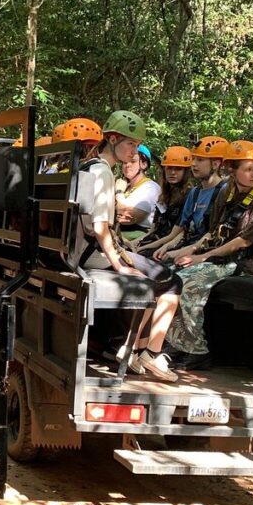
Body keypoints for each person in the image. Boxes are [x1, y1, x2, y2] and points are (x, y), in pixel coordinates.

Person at [73, 110, 182, 381]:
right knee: (171, 281)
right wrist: (120, 265)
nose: (134, 152)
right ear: (112, 139)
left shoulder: (88, 166)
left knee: (149, 270)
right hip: (93, 254)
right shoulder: (103, 172)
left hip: (82, 250)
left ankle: (133, 349)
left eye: (136, 145)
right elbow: (100, 227)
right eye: (130, 144)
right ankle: (151, 353)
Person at [165, 140, 253, 370]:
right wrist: (190, 251)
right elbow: (213, 231)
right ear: (232, 170)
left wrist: (201, 258)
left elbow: (243, 241)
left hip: (246, 262)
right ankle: (178, 343)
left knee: (190, 279)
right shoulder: (227, 192)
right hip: (219, 256)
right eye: (247, 168)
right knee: (170, 275)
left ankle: (198, 350)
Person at [151, 136, 228, 263]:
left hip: (207, 254)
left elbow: (214, 234)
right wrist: (167, 247)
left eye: (200, 160)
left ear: (215, 164)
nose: (193, 164)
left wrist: (179, 252)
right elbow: (184, 229)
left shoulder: (224, 192)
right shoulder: (195, 193)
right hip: (189, 246)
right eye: (193, 159)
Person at [134, 146, 193, 257]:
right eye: (169, 168)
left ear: (186, 172)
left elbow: (173, 235)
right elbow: (152, 230)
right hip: (154, 241)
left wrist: (141, 248)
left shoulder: (189, 196)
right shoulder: (163, 195)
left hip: (168, 246)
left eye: (178, 169)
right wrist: (133, 244)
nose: (173, 172)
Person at [116, 144, 161, 242]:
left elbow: (127, 218)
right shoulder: (127, 188)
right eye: (124, 162)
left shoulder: (150, 188)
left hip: (139, 241)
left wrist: (118, 192)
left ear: (144, 164)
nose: (127, 165)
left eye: (133, 161)